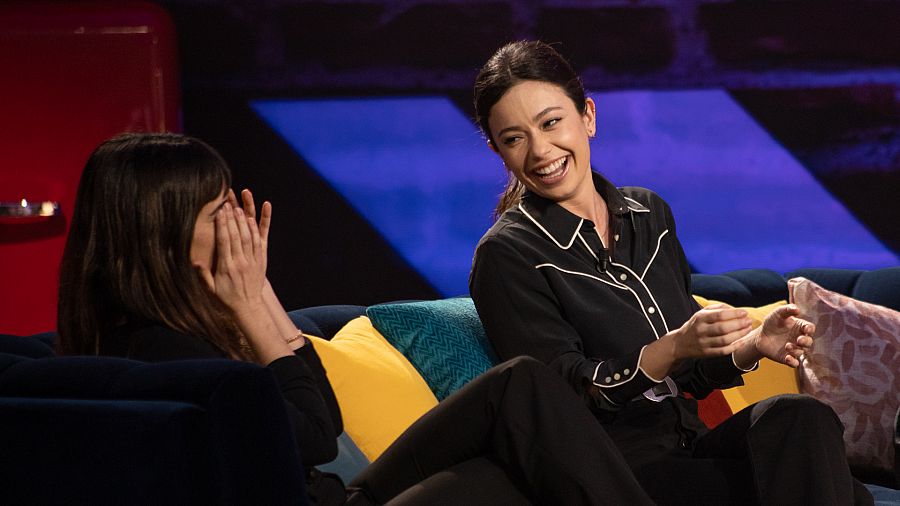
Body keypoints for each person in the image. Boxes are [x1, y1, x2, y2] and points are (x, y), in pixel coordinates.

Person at [57, 132, 660, 505]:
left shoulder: (197, 322)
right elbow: (315, 437)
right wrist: (249, 305)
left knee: (520, 395)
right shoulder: (161, 353)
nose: (239, 226)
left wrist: (259, 293)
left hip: (349, 493)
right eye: (219, 212)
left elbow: (321, 409)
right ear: (160, 236)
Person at [469, 40, 874, 506]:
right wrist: (673, 347)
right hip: (617, 474)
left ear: (588, 116)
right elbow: (561, 399)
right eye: (515, 138)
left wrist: (749, 348)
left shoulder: (649, 214)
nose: (541, 151)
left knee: (799, 417)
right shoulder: (507, 255)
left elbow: (688, 374)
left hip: (690, 447)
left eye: (551, 122)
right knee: (843, 495)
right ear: (498, 150)